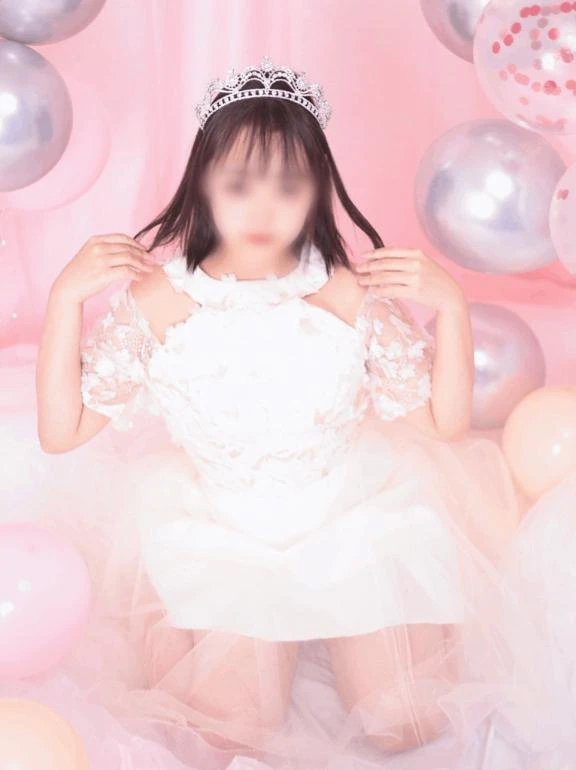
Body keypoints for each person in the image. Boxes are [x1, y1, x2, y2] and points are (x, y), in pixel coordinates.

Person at [35, 55, 522, 770]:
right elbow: (62, 432)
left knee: (404, 721)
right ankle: (214, 633)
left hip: (349, 514)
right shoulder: (161, 300)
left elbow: (442, 425)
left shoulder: (343, 292)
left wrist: (450, 306)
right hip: (223, 526)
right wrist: (64, 300)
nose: (263, 210)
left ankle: (338, 630)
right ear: (203, 183)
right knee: (229, 734)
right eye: (239, 184)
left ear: (317, 190)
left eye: (288, 186)